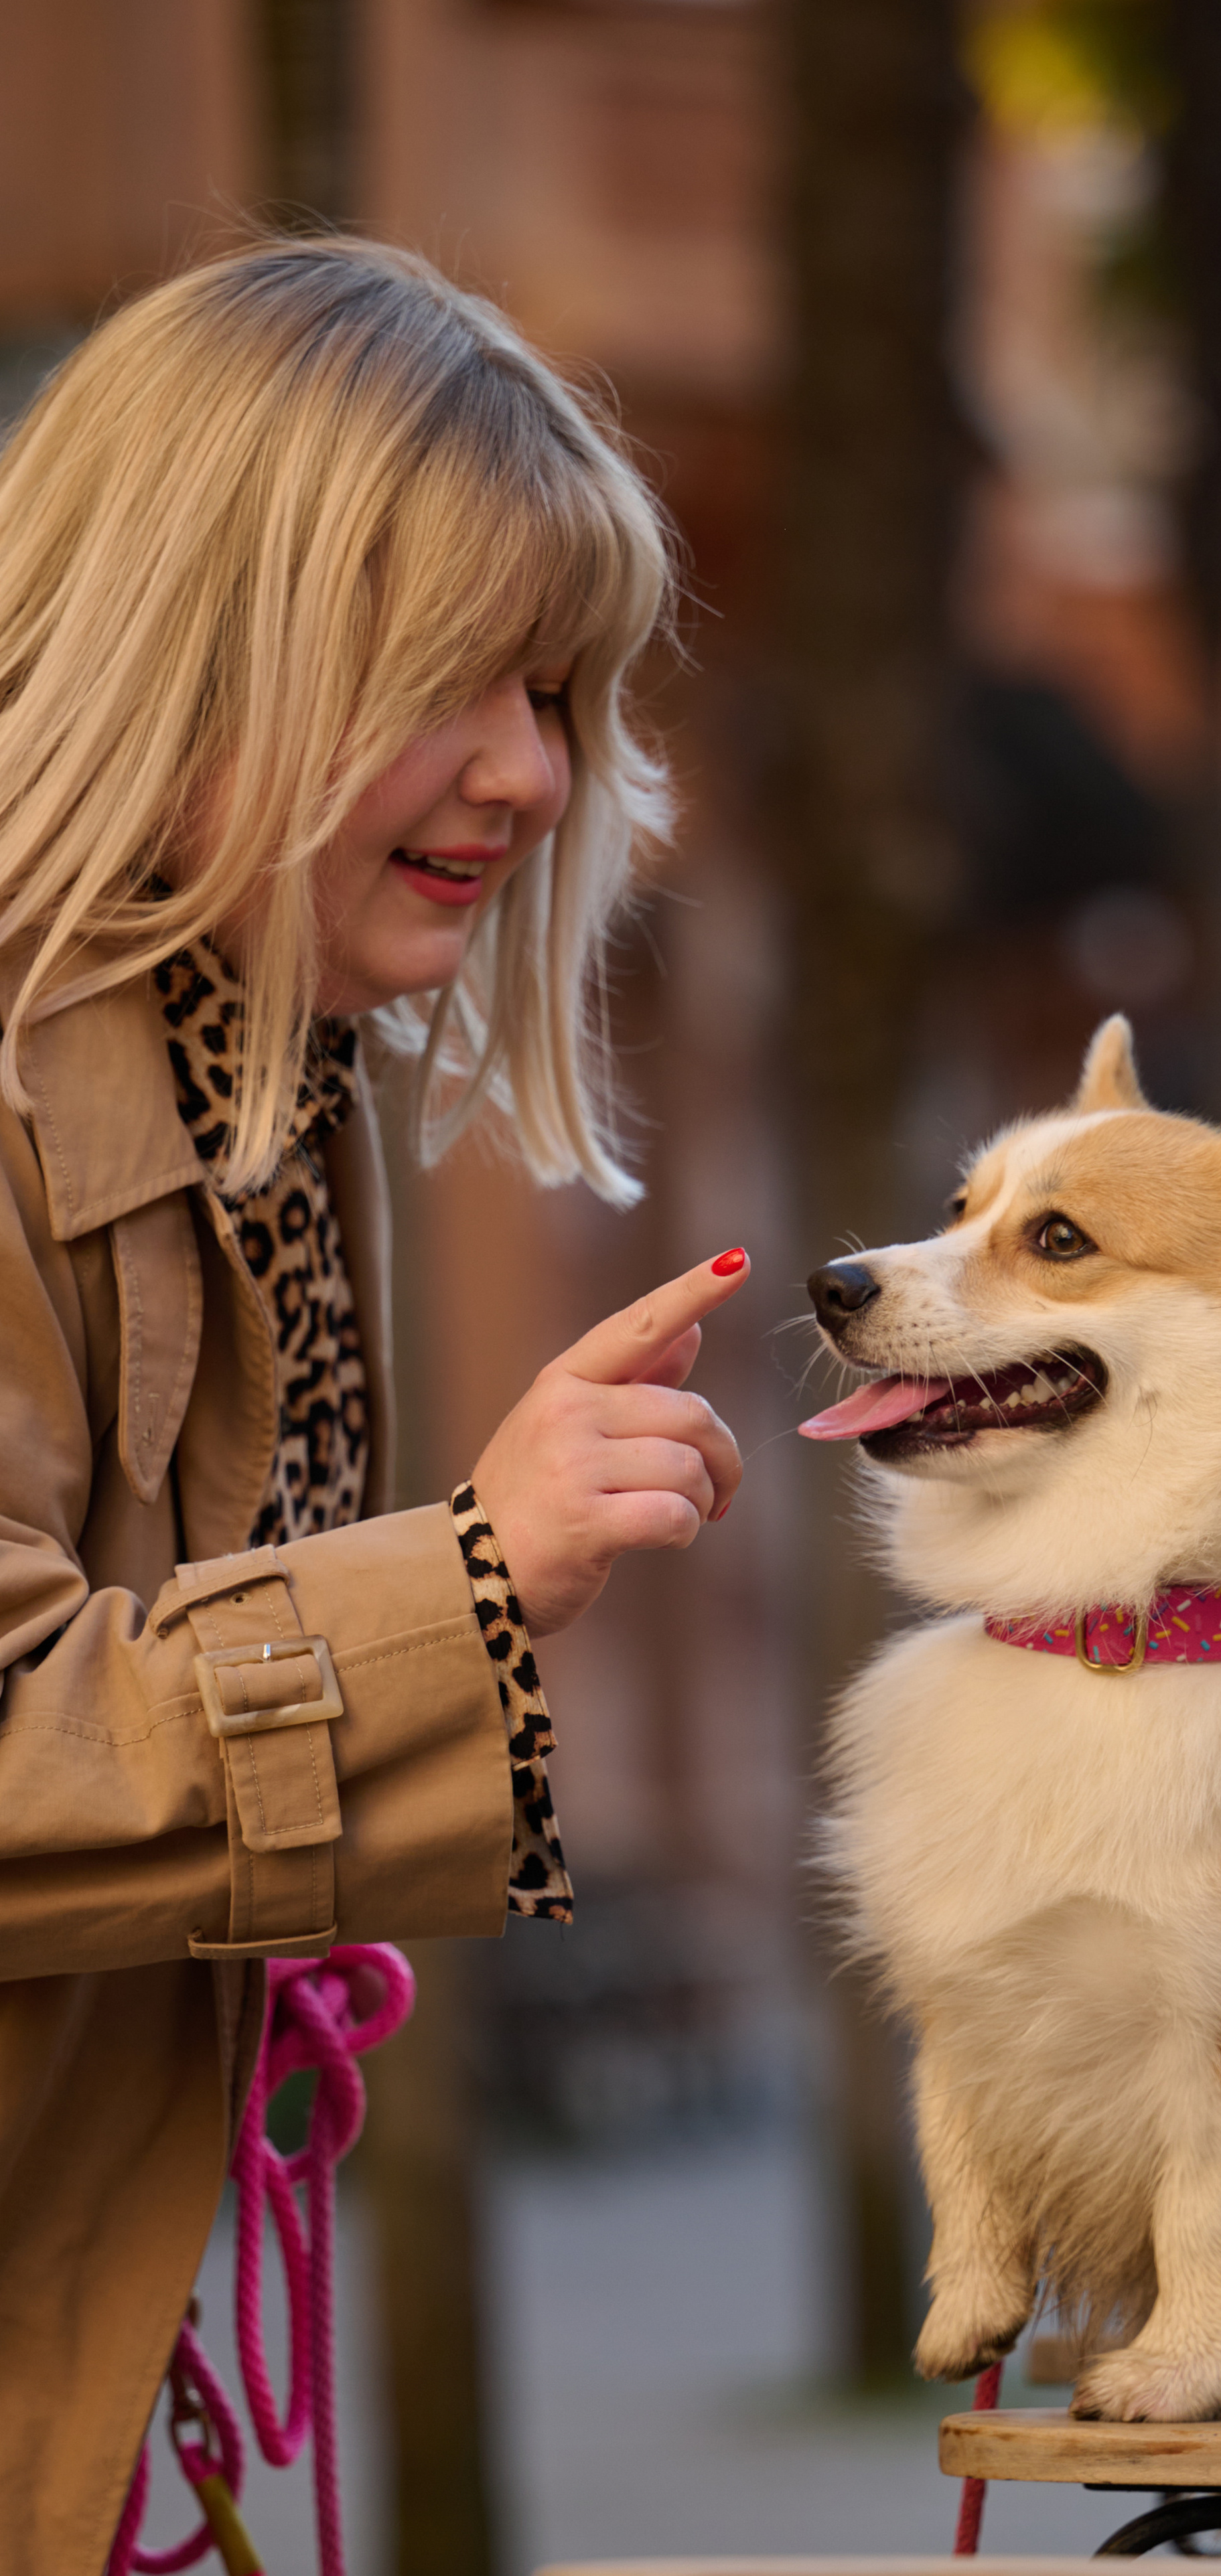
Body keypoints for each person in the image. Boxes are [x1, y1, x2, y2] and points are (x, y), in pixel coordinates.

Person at [0, 234, 749, 2571]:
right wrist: (468, 1585)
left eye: (563, 688)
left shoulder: (263, 1083)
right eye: (460, 679)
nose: (533, 770)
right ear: (211, 637)